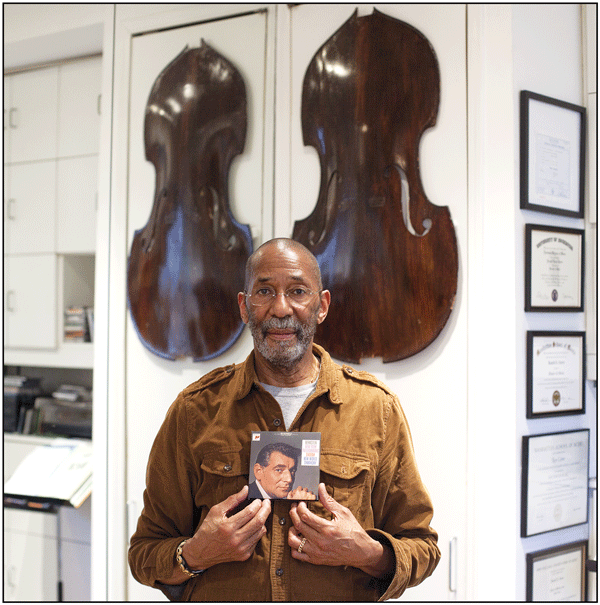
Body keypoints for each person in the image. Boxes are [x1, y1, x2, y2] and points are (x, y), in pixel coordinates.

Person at [128, 238, 440, 601]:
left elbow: (422, 547)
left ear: (321, 305)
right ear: (244, 307)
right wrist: (195, 553)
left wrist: (367, 553)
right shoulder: (194, 411)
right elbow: (143, 554)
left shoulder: (376, 410)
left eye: (297, 291)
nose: (280, 308)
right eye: (264, 291)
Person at [249, 441, 316, 500]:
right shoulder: (245, 498)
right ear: (258, 471)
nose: (289, 479)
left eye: (292, 471)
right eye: (278, 470)